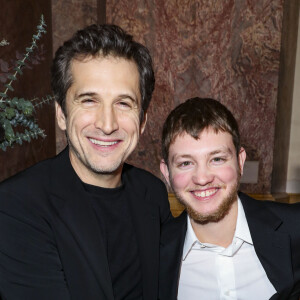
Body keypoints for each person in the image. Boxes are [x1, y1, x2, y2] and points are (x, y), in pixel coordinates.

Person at [0, 24, 171, 300]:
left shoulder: (152, 192)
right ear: (62, 115)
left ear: (142, 123)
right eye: (89, 100)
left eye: (124, 103)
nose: (106, 124)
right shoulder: (16, 206)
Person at [158, 97, 300, 300]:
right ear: (166, 172)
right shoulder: (153, 255)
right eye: (185, 163)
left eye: (217, 159)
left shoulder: (294, 229)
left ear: (240, 161)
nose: (202, 178)